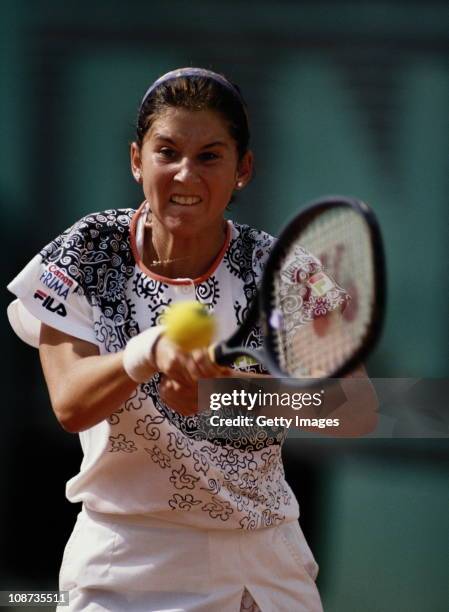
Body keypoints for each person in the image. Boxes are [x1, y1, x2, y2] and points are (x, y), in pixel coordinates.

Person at [7, 67, 334, 611]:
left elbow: (357, 407)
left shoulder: (281, 268)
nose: (185, 176)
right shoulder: (87, 250)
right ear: (137, 160)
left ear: (242, 169)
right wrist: (147, 352)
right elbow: (69, 403)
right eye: (167, 152)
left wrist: (224, 400)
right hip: (122, 562)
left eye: (209, 156)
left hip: (261, 566)